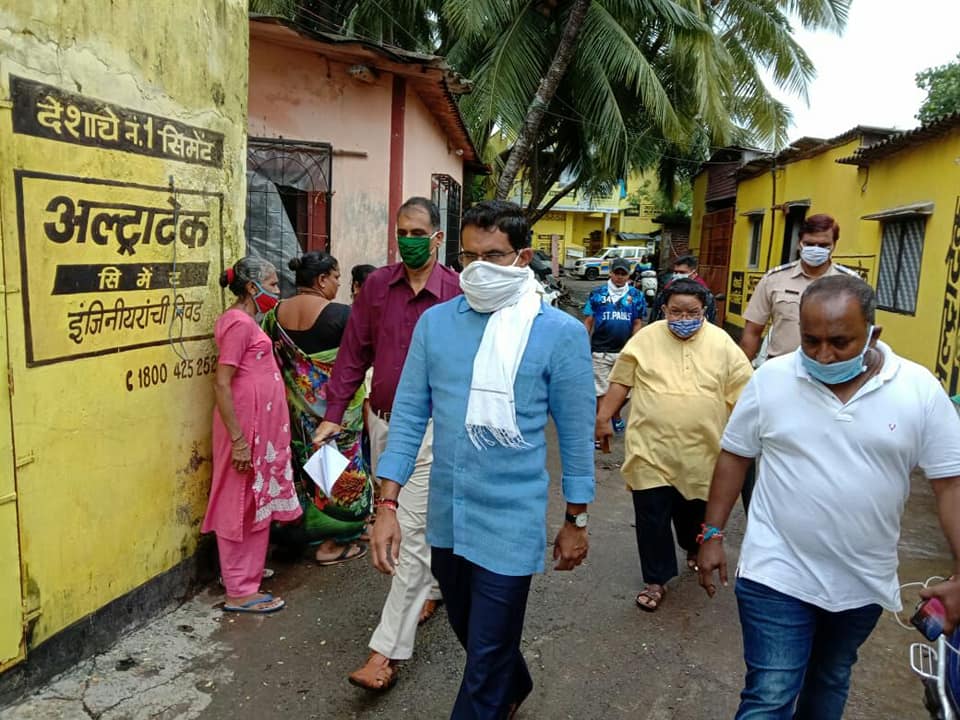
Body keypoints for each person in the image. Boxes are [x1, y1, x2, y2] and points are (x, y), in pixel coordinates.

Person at [697, 274, 960, 719]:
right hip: (775, 572)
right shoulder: (772, 380)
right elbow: (734, 456)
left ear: (873, 334)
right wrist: (712, 533)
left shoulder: (918, 390)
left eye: (840, 342)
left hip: (861, 580)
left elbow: (950, 484)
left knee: (830, 680)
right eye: (811, 340)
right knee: (771, 692)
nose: (823, 354)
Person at [370, 199, 595, 719]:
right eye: (469, 257)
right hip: (447, 516)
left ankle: (494, 693)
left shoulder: (557, 334)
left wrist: (575, 519)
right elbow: (406, 418)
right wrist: (387, 505)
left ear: (523, 256)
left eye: (493, 256)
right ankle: (511, 684)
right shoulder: (437, 325)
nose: (479, 269)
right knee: (475, 636)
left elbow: (579, 435)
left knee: (485, 658)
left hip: (510, 520)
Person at [313, 197, 459, 691]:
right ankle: (432, 590)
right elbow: (354, 353)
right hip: (384, 421)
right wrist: (334, 415)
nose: (408, 240)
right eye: (401, 231)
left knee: (408, 530)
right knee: (408, 515)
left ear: (436, 237)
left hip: (437, 429)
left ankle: (384, 652)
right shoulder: (377, 287)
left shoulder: (457, 292)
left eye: (418, 231)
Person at [596, 278, 752, 613]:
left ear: (704, 311)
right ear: (664, 309)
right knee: (651, 515)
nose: (683, 318)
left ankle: (694, 548)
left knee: (692, 510)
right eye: (676, 311)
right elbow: (621, 380)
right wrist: (604, 417)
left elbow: (743, 393)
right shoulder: (646, 339)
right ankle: (655, 579)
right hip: (650, 449)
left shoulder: (722, 343)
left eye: (692, 312)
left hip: (702, 451)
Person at [737, 213, 859, 511]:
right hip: (782, 381)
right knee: (766, 448)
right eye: (809, 243)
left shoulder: (850, 285)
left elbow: (860, 339)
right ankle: (762, 513)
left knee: (822, 455)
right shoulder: (775, 279)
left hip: (832, 384)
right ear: (799, 244)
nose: (815, 249)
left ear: (834, 245)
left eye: (823, 244)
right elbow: (752, 333)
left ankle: (811, 513)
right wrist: (739, 379)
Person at [203, 257, 302, 614]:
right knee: (238, 500)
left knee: (253, 499)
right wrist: (239, 440)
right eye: (273, 285)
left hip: (258, 430)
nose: (277, 292)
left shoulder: (247, 323)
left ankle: (246, 573)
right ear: (251, 288)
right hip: (244, 430)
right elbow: (222, 382)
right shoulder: (238, 325)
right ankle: (239, 589)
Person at [262, 251, 371, 565]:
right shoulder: (341, 315)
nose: (339, 283)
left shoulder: (274, 316)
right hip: (339, 418)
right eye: (336, 277)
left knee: (317, 473)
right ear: (322, 279)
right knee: (346, 479)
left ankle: (313, 532)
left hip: (299, 417)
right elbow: (359, 361)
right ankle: (334, 542)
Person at [583, 256, 645, 435]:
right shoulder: (598, 294)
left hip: (624, 352)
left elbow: (637, 323)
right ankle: (602, 429)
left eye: (623, 274)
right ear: (610, 273)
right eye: (616, 273)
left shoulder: (636, 296)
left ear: (629, 275)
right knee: (601, 392)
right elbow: (588, 320)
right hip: (600, 351)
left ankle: (615, 414)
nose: (619, 277)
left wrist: (635, 347)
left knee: (625, 392)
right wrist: (581, 344)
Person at [647, 255, 717, 324]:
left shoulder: (705, 294)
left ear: (693, 273)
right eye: (676, 272)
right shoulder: (666, 291)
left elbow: (709, 319)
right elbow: (655, 315)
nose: (677, 275)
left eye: (682, 272)